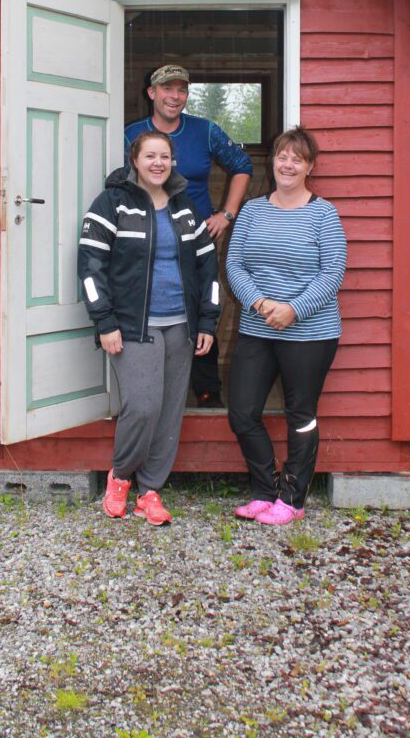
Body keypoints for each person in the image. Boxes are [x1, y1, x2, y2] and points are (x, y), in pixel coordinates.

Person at [78, 130, 219, 525]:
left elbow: (208, 268)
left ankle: (151, 490)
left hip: (181, 325)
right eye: (150, 155)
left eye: (165, 156)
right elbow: (90, 267)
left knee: (170, 411)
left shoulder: (184, 206)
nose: (158, 162)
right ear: (134, 160)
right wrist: (104, 320)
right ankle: (121, 476)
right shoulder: (111, 204)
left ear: (172, 162)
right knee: (142, 406)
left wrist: (207, 319)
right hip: (131, 325)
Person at [225, 127, 347, 525]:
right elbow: (235, 264)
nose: (288, 164)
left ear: (309, 166)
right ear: (272, 161)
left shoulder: (323, 214)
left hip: (311, 333)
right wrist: (260, 303)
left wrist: (293, 309)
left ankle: (292, 500)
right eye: (282, 156)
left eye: (297, 158)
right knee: (243, 412)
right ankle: (264, 490)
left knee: (301, 413)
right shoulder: (253, 210)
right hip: (257, 326)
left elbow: (333, 272)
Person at [124, 63, 253, 408]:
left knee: (201, 310)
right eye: (167, 89)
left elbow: (243, 166)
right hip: (147, 237)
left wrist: (226, 214)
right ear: (152, 93)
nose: (174, 96)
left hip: (195, 237)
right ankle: (150, 395)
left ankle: (208, 394)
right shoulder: (131, 134)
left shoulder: (205, 131)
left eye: (181, 90)